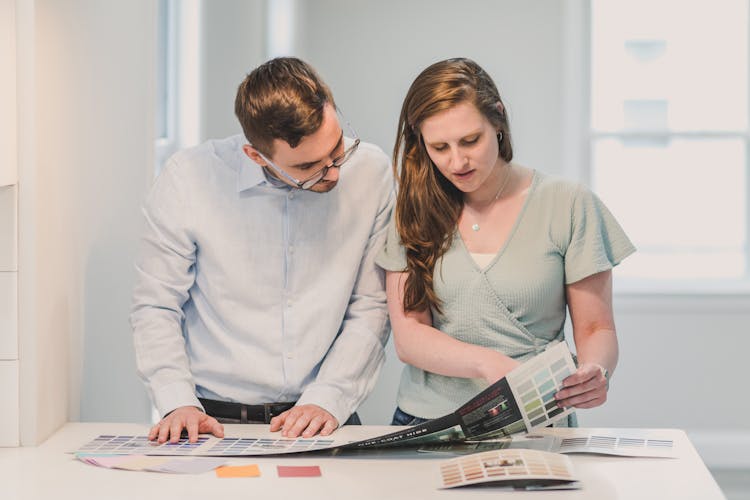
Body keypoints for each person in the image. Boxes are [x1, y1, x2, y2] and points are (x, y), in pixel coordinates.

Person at [130, 57, 394, 443]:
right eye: (310, 167)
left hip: (326, 415)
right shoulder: (188, 180)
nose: (335, 171)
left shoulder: (371, 172)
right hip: (212, 419)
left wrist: (328, 398)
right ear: (256, 156)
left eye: (337, 147)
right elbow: (156, 305)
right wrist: (175, 401)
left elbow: (371, 305)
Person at [376, 58, 635, 426]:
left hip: (535, 418)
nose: (457, 161)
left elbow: (597, 329)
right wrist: (489, 364)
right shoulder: (413, 211)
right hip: (429, 423)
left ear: (498, 120)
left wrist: (596, 370)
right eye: (439, 147)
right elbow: (409, 336)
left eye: (470, 140)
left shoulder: (567, 203)